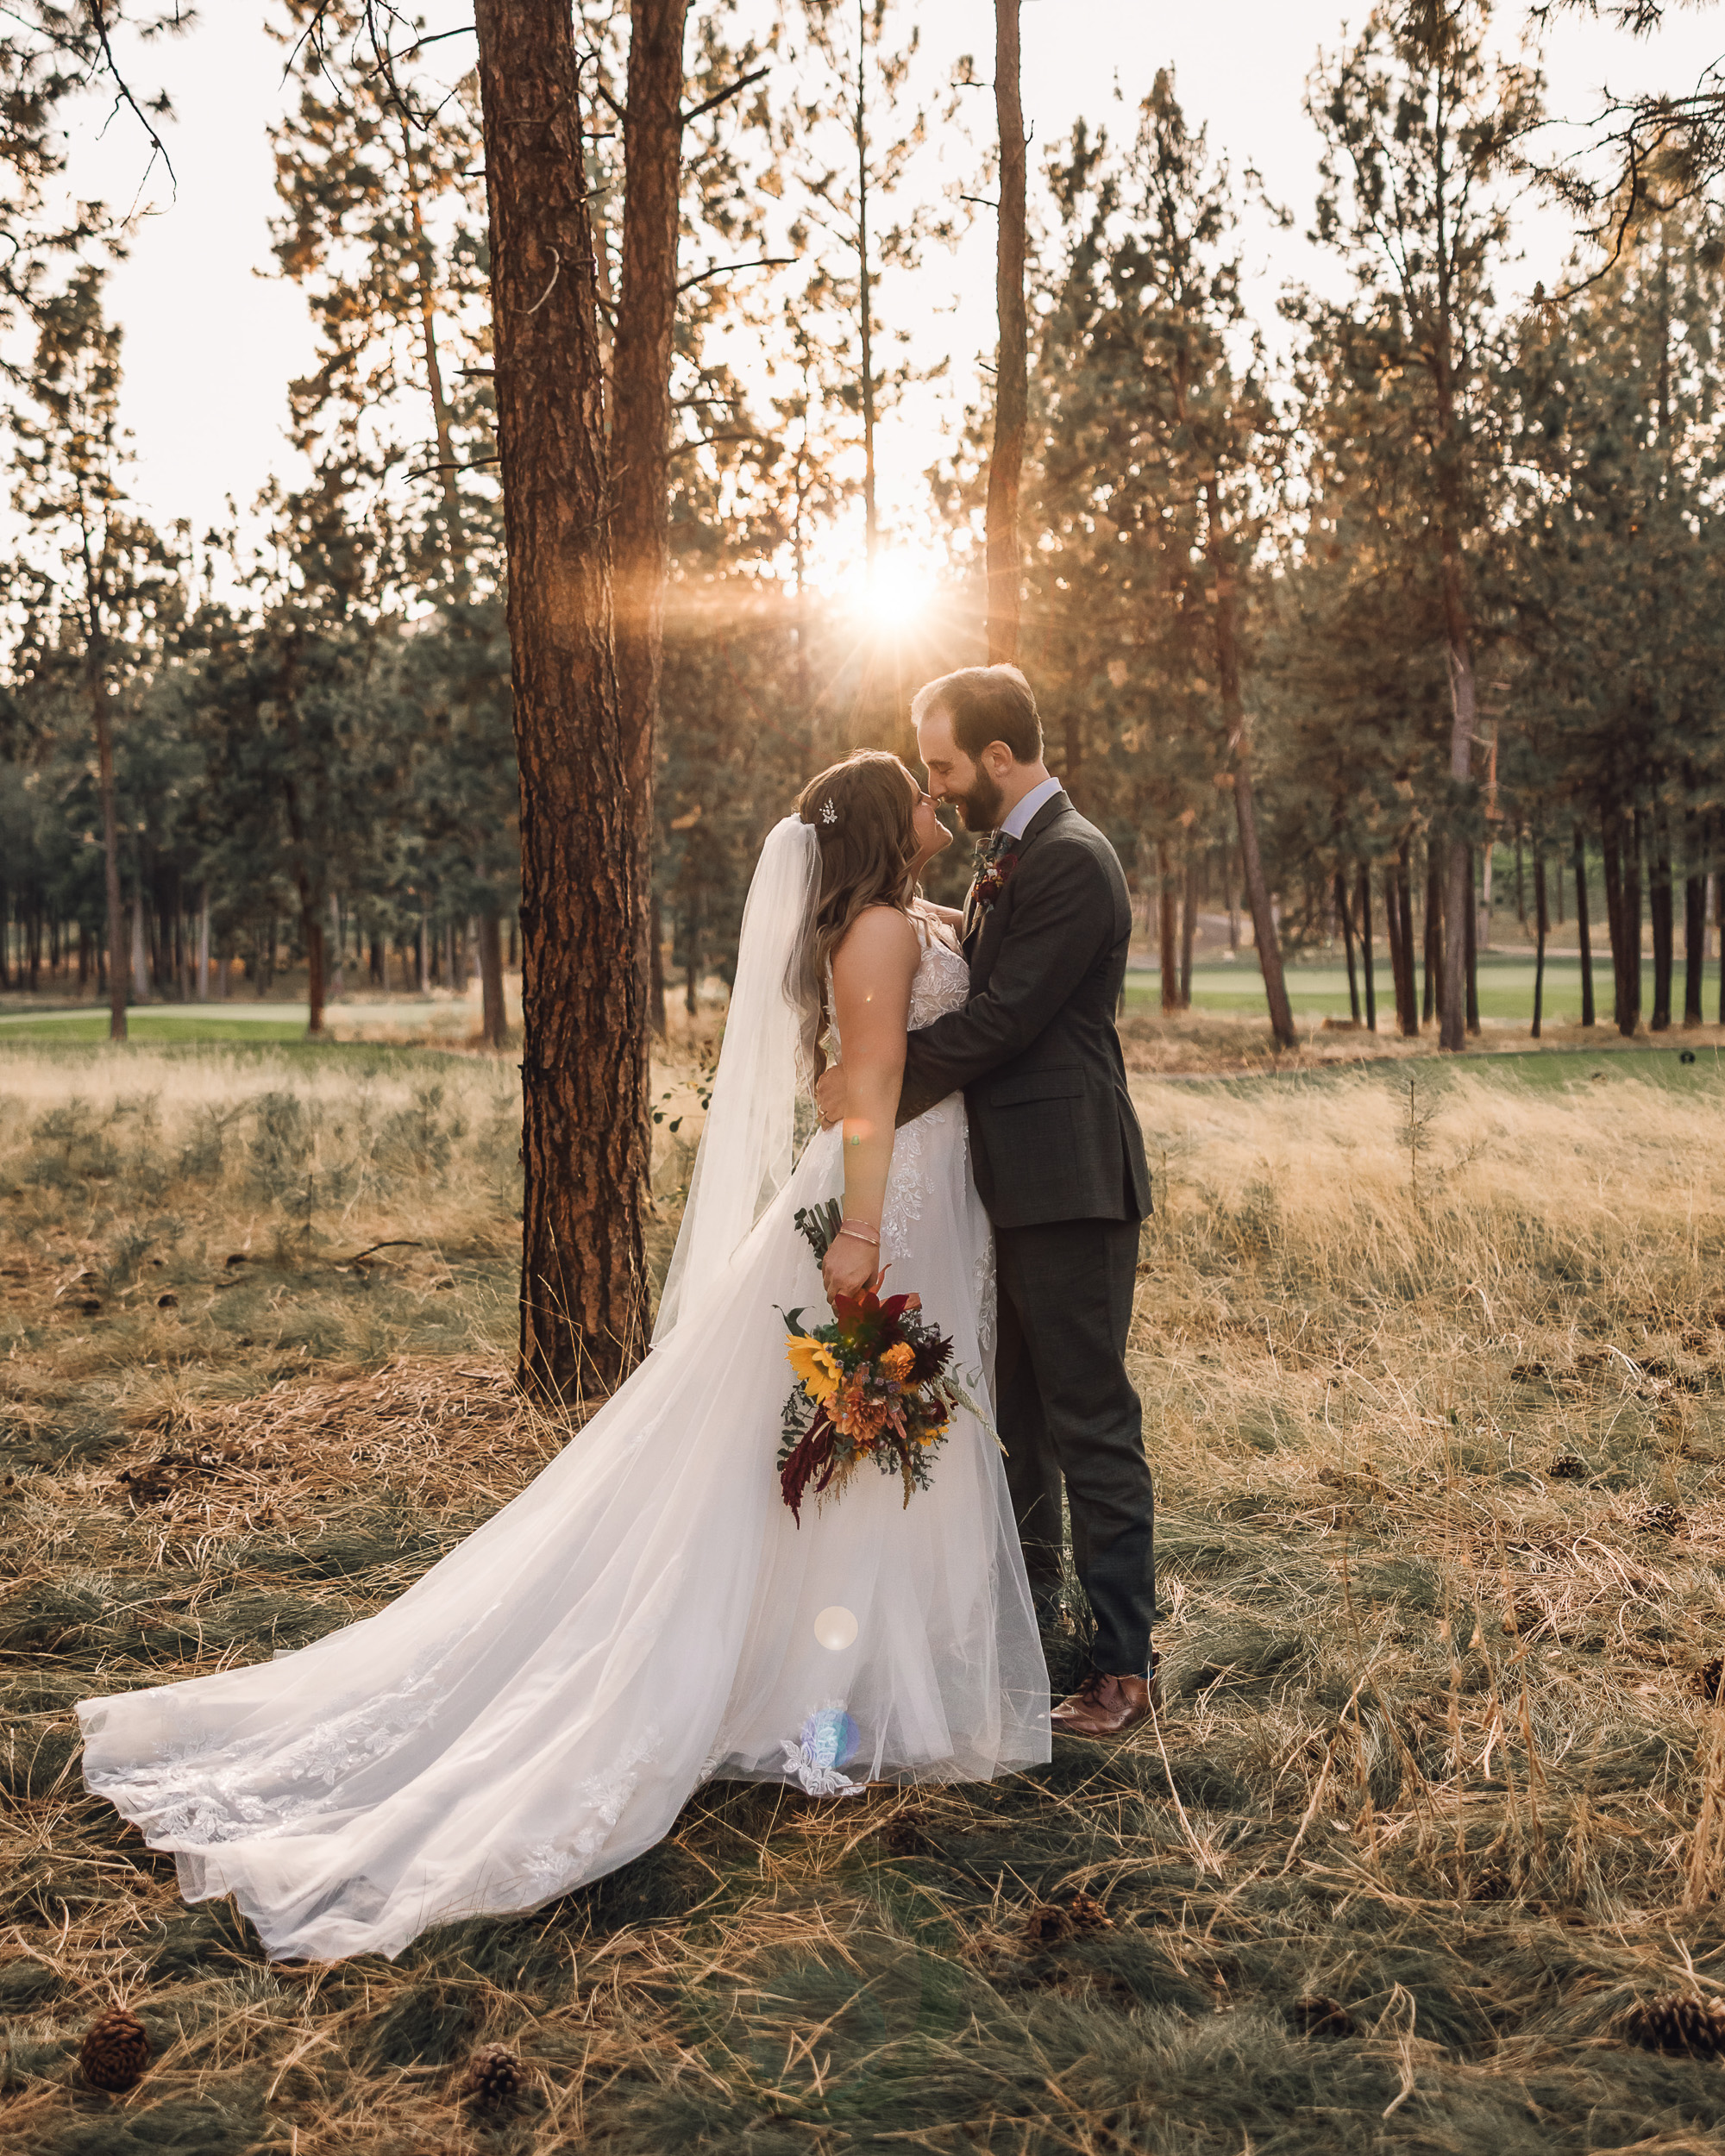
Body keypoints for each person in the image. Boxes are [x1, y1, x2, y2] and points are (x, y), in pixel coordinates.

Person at [77, 752, 1048, 1965]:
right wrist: (860, 1233)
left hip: (921, 1194)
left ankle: (863, 1689)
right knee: (852, 1447)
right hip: (882, 1203)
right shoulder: (878, 934)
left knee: (881, 1443)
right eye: (915, 791)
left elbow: (861, 1053)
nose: (932, 803)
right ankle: (835, 1702)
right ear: (880, 828)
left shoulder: (902, 920)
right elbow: (869, 1087)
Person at [818, 666, 1156, 1739]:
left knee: (1086, 1418)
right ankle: (1030, 1636)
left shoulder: (1069, 861)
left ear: (997, 760)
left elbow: (1006, 1020)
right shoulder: (1009, 861)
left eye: (944, 765)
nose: (939, 784)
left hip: (1068, 1184)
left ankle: (1120, 1668)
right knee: (1014, 1424)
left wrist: (877, 1079)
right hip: (1005, 1187)